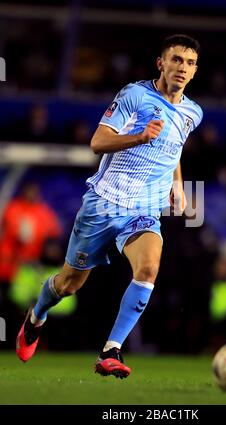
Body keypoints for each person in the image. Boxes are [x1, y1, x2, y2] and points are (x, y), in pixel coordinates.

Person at [16, 34, 203, 379]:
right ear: (160, 63)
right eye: (176, 59)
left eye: (190, 63)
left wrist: (178, 185)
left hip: (145, 208)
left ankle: (111, 350)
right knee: (70, 284)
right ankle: (37, 315)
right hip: (103, 205)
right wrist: (140, 136)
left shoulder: (193, 112)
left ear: (194, 71)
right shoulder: (134, 95)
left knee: (148, 269)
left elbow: (174, 148)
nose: (183, 68)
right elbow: (97, 143)